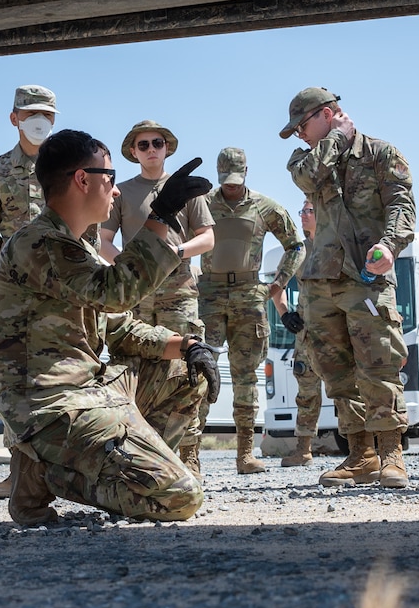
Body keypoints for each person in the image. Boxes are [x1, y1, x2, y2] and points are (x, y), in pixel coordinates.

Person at [0, 130, 222, 524]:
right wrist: (160, 218)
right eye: (111, 179)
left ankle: (136, 468)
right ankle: (45, 472)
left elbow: (118, 326)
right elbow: (116, 292)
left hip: (91, 392)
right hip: (52, 409)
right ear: (83, 179)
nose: (116, 192)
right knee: (179, 498)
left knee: (187, 372)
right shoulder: (40, 243)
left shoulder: (77, 247)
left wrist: (185, 345)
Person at [281, 87, 416, 488]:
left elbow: (402, 204)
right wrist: (337, 138)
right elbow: (308, 177)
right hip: (320, 279)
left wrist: (390, 246)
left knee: (379, 363)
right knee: (335, 370)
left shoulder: (380, 154)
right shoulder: (306, 159)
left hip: (365, 275)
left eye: (303, 126)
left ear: (327, 113)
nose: (300, 135)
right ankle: (361, 455)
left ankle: (392, 454)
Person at [101, 121, 216, 476]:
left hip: (178, 293)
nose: (151, 149)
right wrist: (131, 267)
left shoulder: (184, 189)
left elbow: (208, 238)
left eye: (158, 143)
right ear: (133, 152)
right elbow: (104, 240)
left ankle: (189, 457)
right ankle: (139, 455)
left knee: (188, 370)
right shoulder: (120, 192)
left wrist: (173, 252)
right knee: (135, 369)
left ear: (167, 148)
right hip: (134, 295)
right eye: (143, 144)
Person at [0, 84, 60, 500]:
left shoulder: (71, 166)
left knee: (69, 374)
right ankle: (19, 471)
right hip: (17, 295)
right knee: (15, 380)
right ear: (15, 119)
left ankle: (65, 470)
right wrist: (10, 276)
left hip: (65, 294)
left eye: (46, 114)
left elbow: (93, 229)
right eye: (30, 114)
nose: (39, 121)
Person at [198, 147, 305, 474]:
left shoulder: (264, 207)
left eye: (237, 180)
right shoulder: (203, 204)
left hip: (249, 296)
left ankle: (245, 454)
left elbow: (295, 246)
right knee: (200, 373)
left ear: (246, 173)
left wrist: (277, 286)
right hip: (210, 295)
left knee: (245, 378)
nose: (232, 187)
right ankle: (190, 456)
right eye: (226, 181)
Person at [281, 198, 324, 467]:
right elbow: (278, 283)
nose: (304, 215)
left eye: (310, 210)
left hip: (336, 329)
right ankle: (303, 448)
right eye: (302, 211)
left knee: (347, 390)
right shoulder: (300, 251)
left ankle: (361, 447)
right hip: (307, 332)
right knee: (306, 390)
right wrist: (285, 313)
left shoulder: (337, 246)